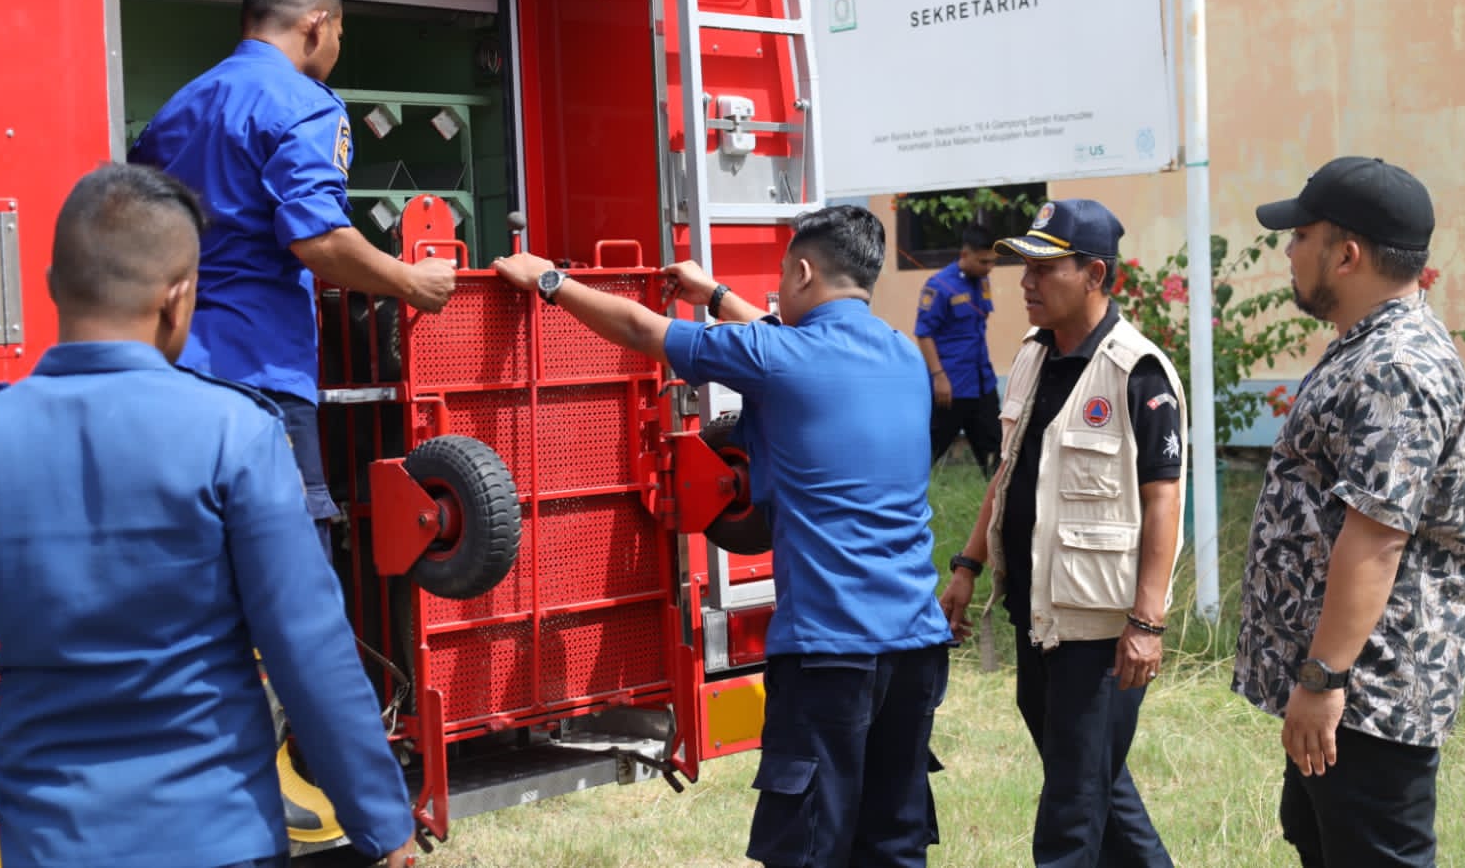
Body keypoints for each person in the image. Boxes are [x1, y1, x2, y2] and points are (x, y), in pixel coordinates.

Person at [0, 165, 416, 868]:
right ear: (179, 298)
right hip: (215, 837)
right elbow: (307, 649)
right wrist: (383, 824)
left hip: (48, 845)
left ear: (52, 285)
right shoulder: (237, 434)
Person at [493, 206, 951, 868]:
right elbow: (780, 344)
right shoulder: (902, 356)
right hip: (914, 647)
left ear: (801, 271)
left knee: (809, 846)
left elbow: (640, 328)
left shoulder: (779, 356)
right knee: (892, 841)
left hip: (831, 650)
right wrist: (713, 294)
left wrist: (551, 282)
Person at [130, 0, 457, 558]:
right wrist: (412, 282)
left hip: (167, 375)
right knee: (289, 575)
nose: (335, 47)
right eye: (338, 33)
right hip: (258, 380)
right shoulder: (305, 102)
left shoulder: (177, 109)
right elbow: (320, 240)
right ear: (315, 23)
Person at [1236, 156, 1465, 868]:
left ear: (1344, 254)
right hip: (1345, 681)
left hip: (1368, 687)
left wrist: (1322, 679)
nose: (1287, 250)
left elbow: (1376, 539)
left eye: (1300, 235)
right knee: (1319, 839)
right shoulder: (1369, 347)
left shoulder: (1393, 367)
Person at [939, 198, 1185, 868]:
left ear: (1094, 274)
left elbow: (1163, 500)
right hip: (1037, 618)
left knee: (1067, 824)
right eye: (1023, 267)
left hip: (1100, 633)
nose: (1024, 282)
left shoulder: (1137, 372)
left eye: (1044, 269)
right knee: (1096, 790)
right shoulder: (1032, 355)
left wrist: (1147, 621)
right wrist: (967, 564)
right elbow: (1008, 474)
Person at [916, 224, 1002, 475]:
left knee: (995, 450)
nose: (989, 268)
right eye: (983, 262)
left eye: (992, 262)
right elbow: (924, 333)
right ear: (965, 255)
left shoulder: (981, 281)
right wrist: (938, 377)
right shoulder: (939, 286)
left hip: (982, 381)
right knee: (930, 450)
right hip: (951, 385)